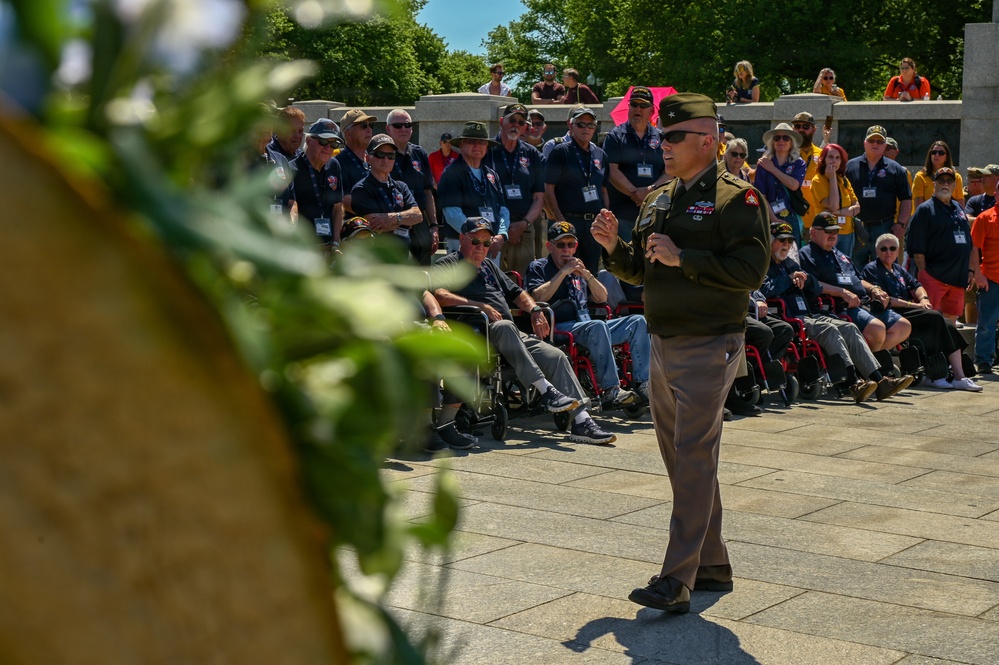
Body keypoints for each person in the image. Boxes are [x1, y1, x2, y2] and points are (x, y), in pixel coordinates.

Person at [591, 92, 770, 613]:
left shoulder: (739, 199)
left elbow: (751, 273)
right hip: (662, 342)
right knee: (682, 460)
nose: (662, 145)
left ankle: (676, 578)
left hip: (710, 342)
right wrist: (613, 250)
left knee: (692, 457)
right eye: (661, 137)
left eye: (674, 137)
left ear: (709, 140)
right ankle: (712, 562)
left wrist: (683, 255)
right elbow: (644, 270)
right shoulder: (659, 198)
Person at [433, 217, 617, 445]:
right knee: (505, 325)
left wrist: (535, 310)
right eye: (475, 241)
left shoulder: (489, 265)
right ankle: (546, 390)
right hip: (479, 333)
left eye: (487, 243)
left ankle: (582, 421)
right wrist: (481, 306)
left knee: (556, 356)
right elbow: (438, 294)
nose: (481, 248)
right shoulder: (448, 264)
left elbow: (517, 292)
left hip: (509, 333)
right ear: (461, 239)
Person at [762, 220, 901, 404]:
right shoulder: (763, 264)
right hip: (790, 318)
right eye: (781, 241)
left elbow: (815, 288)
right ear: (770, 242)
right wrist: (789, 279)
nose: (786, 245)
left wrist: (806, 279)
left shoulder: (790, 264)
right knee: (830, 330)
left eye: (789, 241)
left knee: (850, 328)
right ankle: (853, 382)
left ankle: (879, 379)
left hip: (811, 314)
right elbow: (764, 289)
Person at [526, 221, 649, 410]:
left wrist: (586, 275)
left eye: (571, 244)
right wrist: (562, 272)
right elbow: (536, 297)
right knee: (597, 326)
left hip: (587, 325)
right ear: (549, 246)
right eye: (560, 245)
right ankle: (611, 390)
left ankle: (643, 384)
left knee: (637, 321)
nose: (566, 249)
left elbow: (602, 297)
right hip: (559, 327)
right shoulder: (539, 267)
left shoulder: (578, 269)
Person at [862, 233, 981, 391]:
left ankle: (959, 375)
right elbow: (886, 299)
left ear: (898, 250)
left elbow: (916, 285)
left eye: (892, 248)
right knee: (933, 317)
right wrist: (915, 305)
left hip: (908, 311)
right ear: (876, 251)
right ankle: (937, 374)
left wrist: (924, 298)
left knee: (947, 324)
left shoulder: (898, 269)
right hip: (891, 313)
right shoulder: (872, 269)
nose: (888, 252)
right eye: (883, 249)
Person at [799, 216, 913, 358]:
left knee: (903, 326)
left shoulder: (840, 254)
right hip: (839, 306)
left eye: (835, 231)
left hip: (864, 303)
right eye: (828, 231)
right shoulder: (806, 254)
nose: (833, 235)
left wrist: (873, 289)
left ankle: (869, 362)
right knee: (877, 329)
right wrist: (841, 292)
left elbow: (859, 279)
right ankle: (872, 368)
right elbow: (811, 283)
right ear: (814, 232)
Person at [544, 106, 609, 275]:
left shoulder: (600, 154)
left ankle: (589, 302)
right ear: (571, 126)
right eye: (581, 124)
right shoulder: (561, 151)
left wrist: (606, 216)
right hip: (568, 220)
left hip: (593, 223)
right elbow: (548, 187)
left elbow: (604, 189)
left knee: (590, 272)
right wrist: (559, 219)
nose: (586, 129)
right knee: (565, 271)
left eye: (590, 125)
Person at [906, 167, 974, 326]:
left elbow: (968, 242)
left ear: (954, 185)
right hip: (934, 275)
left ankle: (947, 350)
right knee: (928, 318)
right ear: (934, 184)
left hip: (957, 277)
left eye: (949, 181)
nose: (945, 184)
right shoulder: (925, 209)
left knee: (951, 321)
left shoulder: (958, 208)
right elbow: (917, 248)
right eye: (941, 180)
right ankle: (929, 351)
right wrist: (923, 274)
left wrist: (969, 269)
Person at [484, 103, 545, 276]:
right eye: (512, 120)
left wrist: (523, 224)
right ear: (502, 121)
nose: (516, 125)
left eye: (521, 122)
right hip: (493, 230)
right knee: (493, 281)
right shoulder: (487, 150)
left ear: (525, 127)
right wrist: (504, 229)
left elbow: (539, 197)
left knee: (522, 282)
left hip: (523, 229)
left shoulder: (532, 154)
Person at [603, 86, 668, 244]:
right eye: (634, 104)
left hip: (654, 214)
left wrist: (649, 192)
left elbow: (671, 171)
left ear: (652, 111)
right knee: (625, 263)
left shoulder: (661, 137)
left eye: (643, 105)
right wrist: (636, 193)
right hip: (623, 215)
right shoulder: (615, 136)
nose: (638, 109)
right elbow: (612, 171)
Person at [844, 125, 912, 268]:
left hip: (884, 227)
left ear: (885, 146)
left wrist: (901, 224)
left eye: (879, 142)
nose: (875, 144)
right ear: (864, 143)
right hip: (856, 227)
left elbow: (906, 199)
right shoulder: (849, 166)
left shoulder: (896, 169)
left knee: (886, 268)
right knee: (854, 268)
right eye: (872, 140)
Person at [437, 122, 509, 255]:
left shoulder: (492, 175)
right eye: (471, 141)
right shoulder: (451, 174)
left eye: (482, 142)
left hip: (491, 244)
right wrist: (479, 237)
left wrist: (501, 235)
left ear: (487, 147)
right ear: (461, 145)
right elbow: (452, 214)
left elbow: (503, 210)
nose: (477, 145)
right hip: (464, 242)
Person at [348, 134, 423, 254]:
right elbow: (376, 226)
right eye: (380, 154)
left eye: (391, 156)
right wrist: (404, 220)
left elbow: (418, 216)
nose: (386, 160)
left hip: (403, 254)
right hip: (376, 256)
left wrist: (393, 218)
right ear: (368, 158)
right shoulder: (361, 189)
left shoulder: (401, 186)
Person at [384, 109, 438, 264]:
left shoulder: (419, 153)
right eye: (398, 125)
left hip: (419, 221)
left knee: (423, 269)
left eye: (407, 125)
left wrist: (434, 226)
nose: (403, 129)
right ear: (388, 129)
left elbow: (428, 192)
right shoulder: (381, 155)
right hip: (394, 223)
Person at [289, 119, 345, 252]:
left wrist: (336, 242)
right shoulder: (292, 168)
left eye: (334, 144)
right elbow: (290, 208)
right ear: (308, 141)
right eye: (323, 141)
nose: (328, 148)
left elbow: (337, 207)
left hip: (329, 246)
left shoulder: (334, 165)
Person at [753, 122, 806, 245]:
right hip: (770, 217)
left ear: (791, 142)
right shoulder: (763, 163)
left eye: (785, 138)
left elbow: (794, 185)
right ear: (773, 142)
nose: (781, 141)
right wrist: (774, 219)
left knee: (793, 256)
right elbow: (761, 196)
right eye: (777, 138)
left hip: (791, 217)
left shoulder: (798, 163)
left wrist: (772, 169)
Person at [810, 143, 860, 257]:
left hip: (847, 232)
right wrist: (832, 179)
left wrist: (838, 213)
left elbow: (857, 207)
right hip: (826, 232)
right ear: (823, 159)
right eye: (830, 157)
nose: (834, 161)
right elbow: (833, 206)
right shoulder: (818, 181)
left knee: (844, 267)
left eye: (838, 158)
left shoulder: (843, 179)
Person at [972, 194, 999, 374]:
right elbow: (973, 247)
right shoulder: (985, 217)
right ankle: (983, 360)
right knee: (987, 323)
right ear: (996, 194)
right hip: (991, 279)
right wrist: (978, 274)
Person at [335, 108, 378, 214]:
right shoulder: (339, 163)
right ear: (348, 134)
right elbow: (344, 200)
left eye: (370, 125)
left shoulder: (376, 158)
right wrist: (378, 212)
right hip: (356, 226)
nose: (369, 129)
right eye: (363, 125)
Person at [792, 112, 823, 231]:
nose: (801, 130)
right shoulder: (785, 154)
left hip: (816, 222)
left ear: (814, 129)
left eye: (805, 127)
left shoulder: (822, 155)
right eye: (797, 126)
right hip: (792, 218)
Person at [912, 141, 964, 210]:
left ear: (946, 157)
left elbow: (960, 206)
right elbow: (918, 207)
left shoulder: (956, 177)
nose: (936, 155)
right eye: (933, 152)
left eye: (941, 153)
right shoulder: (920, 176)